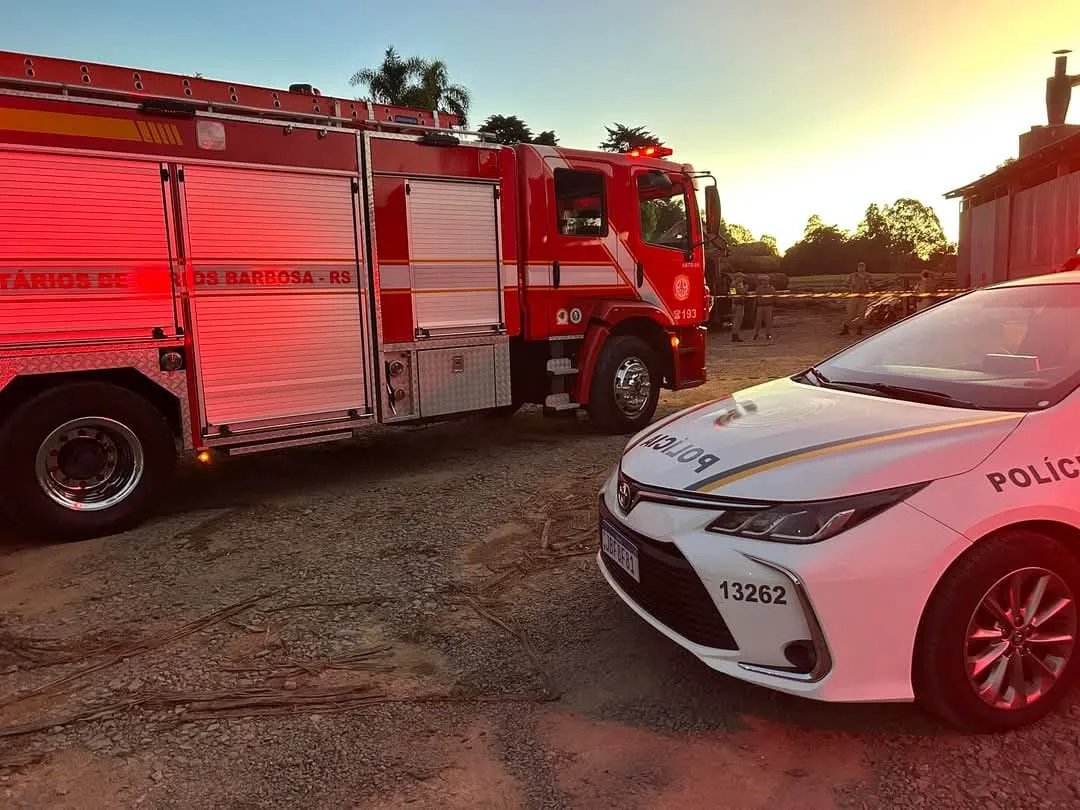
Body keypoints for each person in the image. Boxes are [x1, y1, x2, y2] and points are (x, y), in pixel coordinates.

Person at [839, 261, 872, 335]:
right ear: (857, 268)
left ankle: (859, 330)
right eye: (860, 267)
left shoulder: (868, 276)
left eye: (863, 267)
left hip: (863, 297)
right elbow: (845, 284)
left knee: (861, 314)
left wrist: (869, 287)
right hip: (854, 297)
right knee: (851, 314)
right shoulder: (852, 276)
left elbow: (873, 285)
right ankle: (845, 328)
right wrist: (850, 287)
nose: (861, 268)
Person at [753, 274, 774, 341]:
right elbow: (756, 297)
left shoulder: (771, 288)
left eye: (766, 280)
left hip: (768, 306)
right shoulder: (758, 288)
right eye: (763, 280)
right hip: (760, 306)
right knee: (758, 321)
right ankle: (756, 334)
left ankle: (768, 334)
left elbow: (774, 296)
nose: (764, 282)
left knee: (768, 321)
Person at [730, 270, 747, 342]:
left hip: (737, 303)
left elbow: (733, 294)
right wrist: (746, 288)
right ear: (738, 277)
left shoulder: (735, 284)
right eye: (741, 277)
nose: (742, 279)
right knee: (737, 320)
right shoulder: (735, 284)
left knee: (737, 320)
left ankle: (735, 334)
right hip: (738, 304)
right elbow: (741, 292)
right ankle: (735, 335)